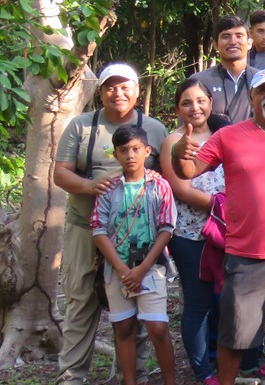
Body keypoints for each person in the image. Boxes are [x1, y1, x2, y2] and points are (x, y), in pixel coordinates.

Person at [171, 68, 265, 385]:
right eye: (262, 91)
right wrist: (178, 153)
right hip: (244, 253)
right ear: (253, 98)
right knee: (235, 333)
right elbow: (188, 170)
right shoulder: (228, 135)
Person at [53, 63, 169, 385]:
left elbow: (167, 177)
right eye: (109, 87)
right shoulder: (82, 126)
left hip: (137, 234)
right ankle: (72, 377)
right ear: (101, 92)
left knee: (135, 296)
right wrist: (90, 186)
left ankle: (132, 374)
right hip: (84, 227)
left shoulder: (155, 129)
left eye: (124, 86)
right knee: (80, 300)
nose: (117, 93)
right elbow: (60, 173)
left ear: (136, 89)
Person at [91, 125, 179, 385]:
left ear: (147, 151)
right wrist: (121, 269)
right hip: (116, 268)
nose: (130, 155)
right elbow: (98, 229)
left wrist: (142, 269)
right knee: (124, 327)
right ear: (116, 155)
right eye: (123, 150)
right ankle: (129, 381)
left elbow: (166, 228)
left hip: (150, 267)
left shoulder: (159, 186)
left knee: (158, 328)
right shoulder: (108, 189)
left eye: (136, 149)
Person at [158, 79, 224, 385]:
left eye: (200, 101)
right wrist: (222, 207)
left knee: (225, 300)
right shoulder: (173, 142)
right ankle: (202, 370)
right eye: (187, 102)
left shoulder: (225, 136)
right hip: (190, 233)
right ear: (178, 109)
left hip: (229, 234)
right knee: (198, 302)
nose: (195, 108)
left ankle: (223, 358)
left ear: (210, 103)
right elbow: (181, 190)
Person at [193, 16, 260, 123]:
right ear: (215, 44)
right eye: (226, 36)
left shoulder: (262, 79)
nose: (233, 41)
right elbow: (188, 127)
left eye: (239, 36)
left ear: (249, 44)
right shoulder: (199, 81)